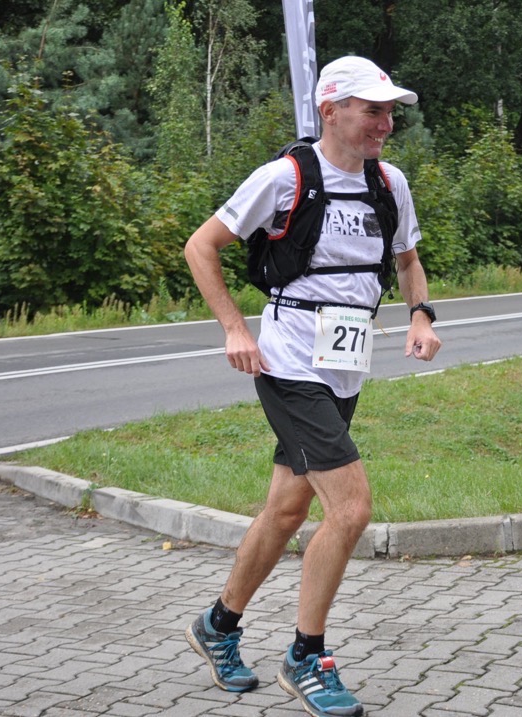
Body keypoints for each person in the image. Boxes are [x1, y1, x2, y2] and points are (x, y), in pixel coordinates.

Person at [183, 55, 441, 717]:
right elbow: (200, 246)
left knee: (287, 511)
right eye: (372, 110)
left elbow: (408, 259)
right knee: (350, 510)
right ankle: (307, 656)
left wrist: (420, 314)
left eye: (390, 112)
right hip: (289, 362)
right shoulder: (285, 177)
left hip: (345, 367)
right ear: (330, 110)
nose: (385, 123)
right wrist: (235, 329)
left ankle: (217, 625)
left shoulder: (389, 183)